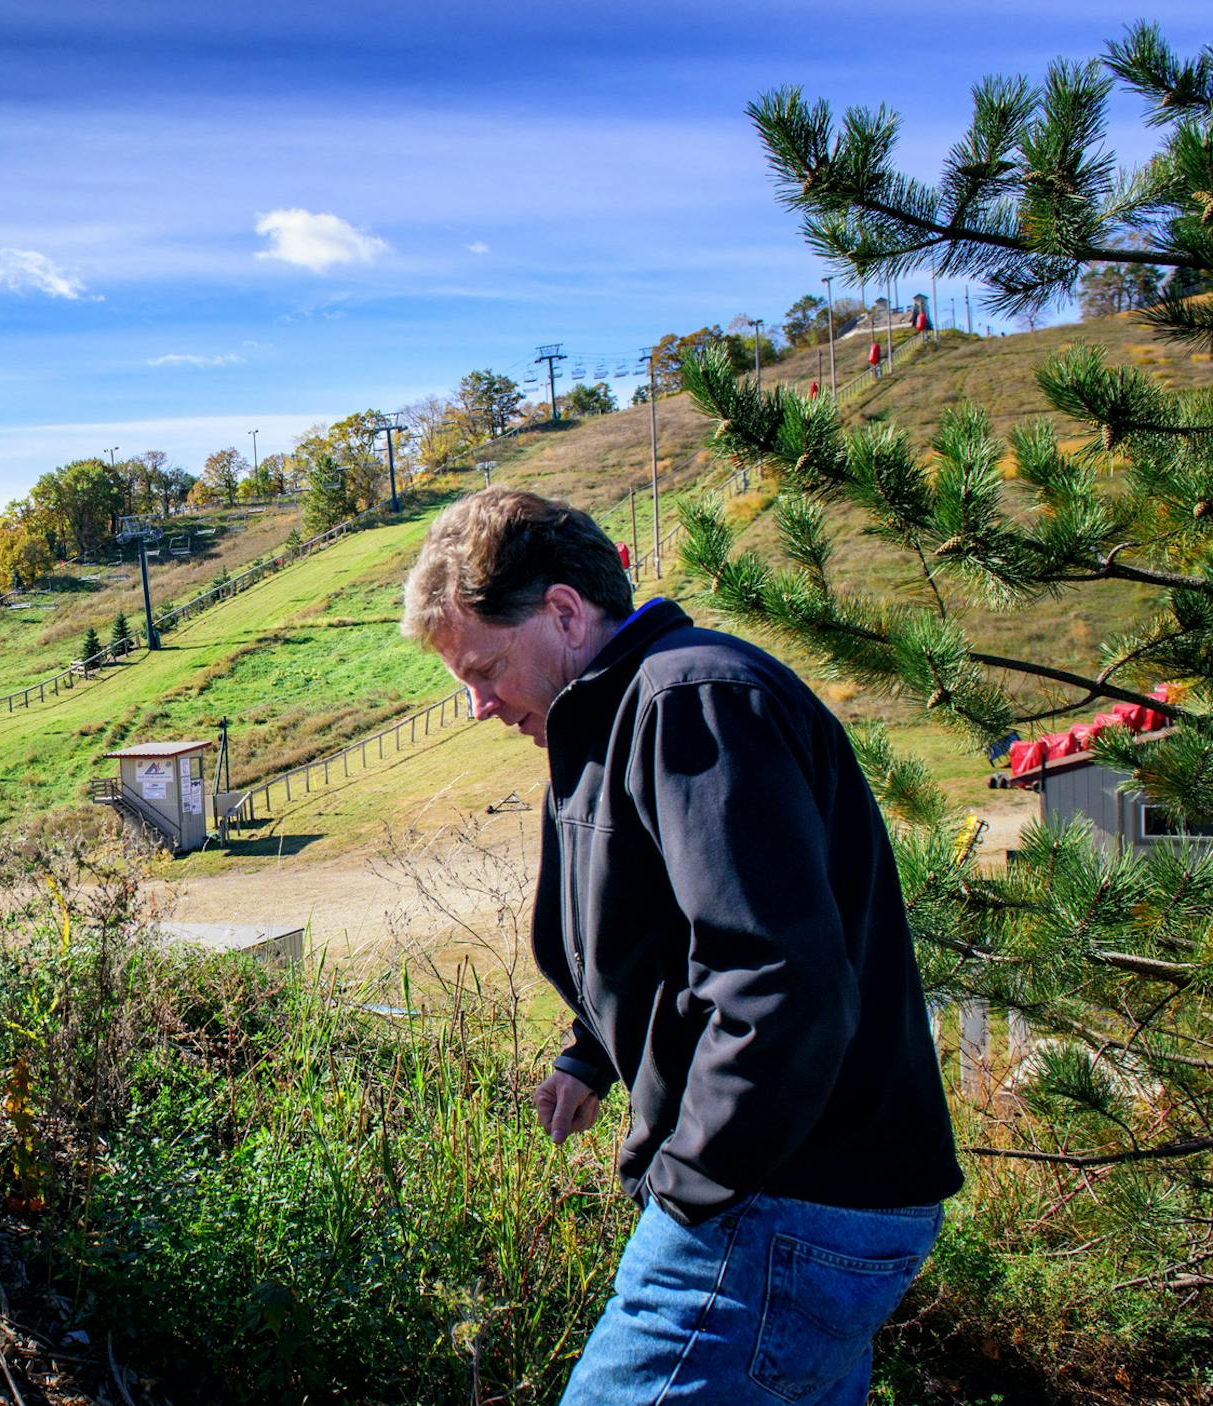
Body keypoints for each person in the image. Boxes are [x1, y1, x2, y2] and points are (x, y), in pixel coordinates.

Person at [400, 487, 961, 1404]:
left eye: (486, 668)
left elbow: (779, 980)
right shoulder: (610, 718)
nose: (478, 705)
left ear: (565, 612)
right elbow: (670, 935)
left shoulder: (691, 703)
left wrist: (690, 1185)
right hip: (809, 1195)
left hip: (782, 1200)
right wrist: (589, 1057)